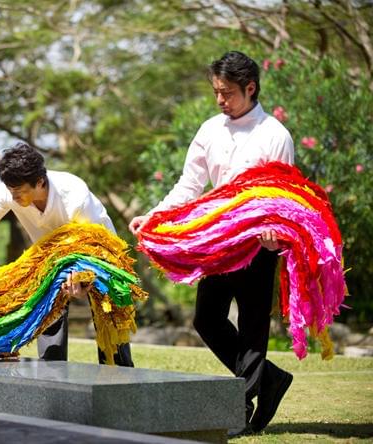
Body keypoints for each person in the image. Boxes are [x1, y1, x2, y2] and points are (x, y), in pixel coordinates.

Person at [129, 51, 294, 434]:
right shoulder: (209, 130)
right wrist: (155, 215)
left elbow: (281, 195)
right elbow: (189, 185)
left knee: (253, 328)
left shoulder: (275, 135)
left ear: (250, 88)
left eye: (228, 92)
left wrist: (273, 231)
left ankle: (242, 407)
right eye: (216, 92)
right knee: (207, 320)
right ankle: (269, 380)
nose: (220, 100)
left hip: (257, 245)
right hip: (218, 244)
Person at [0, 142, 134, 367]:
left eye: (19, 191)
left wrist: (81, 279)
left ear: (40, 182)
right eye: (10, 190)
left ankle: (119, 376)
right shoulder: (8, 191)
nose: (13, 196)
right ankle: (52, 374)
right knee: (45, 309)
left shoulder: (74, 194)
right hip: (50, 259)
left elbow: (89, 247)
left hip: (98, 255)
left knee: (111, 323)